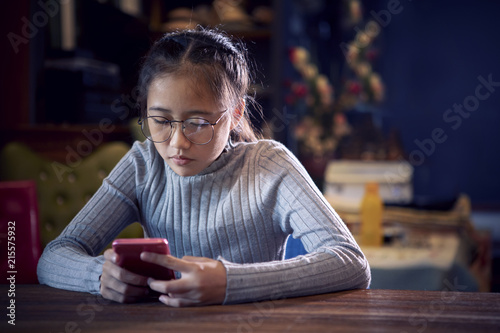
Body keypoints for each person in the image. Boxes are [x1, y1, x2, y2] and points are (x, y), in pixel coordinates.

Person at [37, 28, 371, 307]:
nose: (177, 142)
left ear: (236, 114)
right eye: (161, 120)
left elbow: (350, 262)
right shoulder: (144, 163)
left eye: (197, 122)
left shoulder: (268, 164)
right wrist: (98, 276)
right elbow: (54, 256)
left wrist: (231, 282)